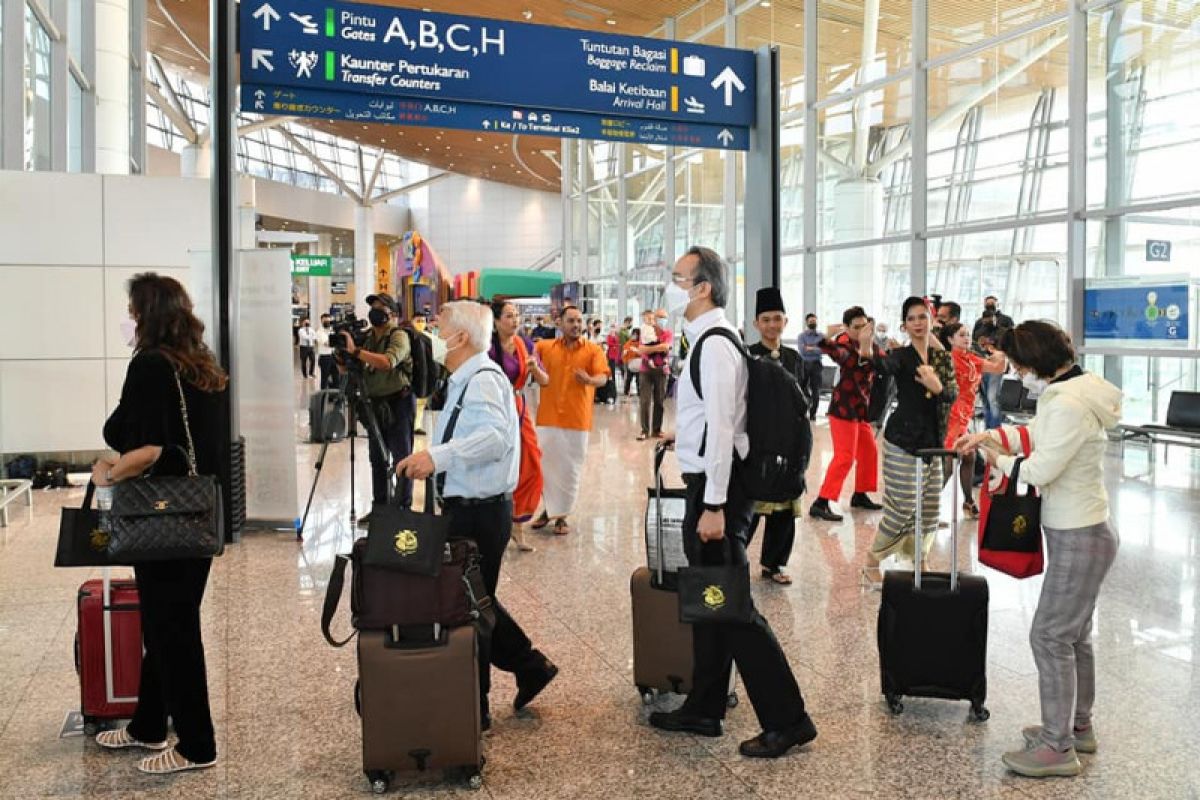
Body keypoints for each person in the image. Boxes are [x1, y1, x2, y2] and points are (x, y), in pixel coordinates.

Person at [648, 246, 817, 758]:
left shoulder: (716, 345)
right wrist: (687, 438)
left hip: (720, 493)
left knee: (734, 608)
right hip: (711, 483)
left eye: (677, 279)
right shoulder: (706, 341)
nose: (671, 287)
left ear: (703, 288)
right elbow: (714, 421)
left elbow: (725, 430)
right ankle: (704, 706)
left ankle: (789, 719)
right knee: (710, 601)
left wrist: (715, 506)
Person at [956, 321, 1121, 779]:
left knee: (1048, 636)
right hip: (1085, 531)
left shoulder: (1068, 403)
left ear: (1037, 363)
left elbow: (1041, 468)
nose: (1018, 374)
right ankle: (1076, 726)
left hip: (1079, 536)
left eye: (1020, 366)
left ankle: (1056, 746)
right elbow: (1035, 437)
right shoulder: (1074, 390)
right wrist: (992, 437)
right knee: (1073, 636)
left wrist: (995, 457)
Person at [396, 301, 559, 732]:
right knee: (474, 599)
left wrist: (437, 456)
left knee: (471, 608)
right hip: (468, 508)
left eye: (438, 327)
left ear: (461, 337)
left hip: (480, 513)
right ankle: (529, 666)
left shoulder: (483, 380)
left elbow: (492, 439)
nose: (432, 333)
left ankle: (477, 705)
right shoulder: (466, 378)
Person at [93, 273, 226, 775]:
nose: (127, 320)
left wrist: (108, 470)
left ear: (146, 314)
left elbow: (146, 449)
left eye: (131, 310)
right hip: (197, 515)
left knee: (174, 630)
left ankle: (197, 744)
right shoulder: (202, 366)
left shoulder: (151, 365)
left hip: (160, 515)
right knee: (166, 623)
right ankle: (149, 724)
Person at [869, 297, 957, 561]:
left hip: (933, 440)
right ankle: (872, 561)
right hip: (902, 439)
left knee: (929, 507)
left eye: (922, 317)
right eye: (911, 318)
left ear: (932, 321)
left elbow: (952, 394)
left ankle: (920, 561)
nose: (917, 323)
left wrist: (937, 386)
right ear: (904, 325)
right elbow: (882, 366)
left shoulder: (942, 358)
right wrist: (866, 346)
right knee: (903, 504)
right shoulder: (900, 356)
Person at [531, 305, 610, 535]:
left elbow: (603, 378)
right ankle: (548, 510)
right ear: (560, 323)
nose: (576, 325)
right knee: (547, 467)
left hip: (578, 418)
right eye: (571, 321)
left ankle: (562, 517)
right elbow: (525, 356)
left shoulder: (593, 350)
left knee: (570, 470)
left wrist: (589, 380)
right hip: (548, 417)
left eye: (579, 321)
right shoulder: (545, 347)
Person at [339, 293, 416, 522]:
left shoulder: (399, 336)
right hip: (375, 406)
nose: (375, 311)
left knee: (402, 458)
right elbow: (347, 371)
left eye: (380, 308)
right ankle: (380, 509)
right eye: (373, 307)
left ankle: (403, 509)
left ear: (392, 313)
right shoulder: (367, 337)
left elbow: (387, 362)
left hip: (399, 403)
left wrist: (355, 351)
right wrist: (343, 358)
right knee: (377, 459)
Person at [748, 288, 804, 585]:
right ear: (757, 323)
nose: (772, 325)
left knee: (784, 510)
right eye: (766, 319)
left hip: (790, 444)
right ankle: (733, 561)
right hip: (758, 446)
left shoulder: (794, 358)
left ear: (786, 321)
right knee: (750, 510)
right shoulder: (748, 357)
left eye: (777, 319)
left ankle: (775, 563)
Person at [809, 306, 886, 522]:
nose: (862, 330)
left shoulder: (870, 344)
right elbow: (838, 354)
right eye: (856, 327)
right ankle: (821, 502)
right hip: (843, 410)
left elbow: (884, 361)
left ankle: (860, 494)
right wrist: (827, 335)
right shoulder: (844, 343)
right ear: (847, 328)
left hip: (860, 411)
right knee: (845, 457)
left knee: (869, 450)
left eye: (864, 326)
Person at [490, 300, 548, 552]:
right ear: (495, 321)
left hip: (518, 407)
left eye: (517, 316)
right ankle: (495, 525)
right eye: (509, 316)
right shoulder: (486, 346)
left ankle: (518, 522)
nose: (515, 320)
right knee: (497, 465)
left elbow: (545, 380)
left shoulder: (525, 344)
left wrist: (535, 369)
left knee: (531, 462)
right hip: (492, 409)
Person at [939, 322, 1007, 516]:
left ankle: (968, 502)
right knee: (949, 465)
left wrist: (1001, 351)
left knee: (968, 457)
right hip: (950, 414)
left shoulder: (972, 358)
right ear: (950, 339)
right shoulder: (948, 359)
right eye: (962, 335)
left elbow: (997, 368)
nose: (967, 338)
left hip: (964, 415)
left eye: (968, 334)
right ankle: (926, 508)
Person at [636, 309, 671, 441]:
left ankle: (657, 430)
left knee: (659, 401)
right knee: (644, 401)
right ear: (654, 318)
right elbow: (641, 349)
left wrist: (651, 348)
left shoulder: (668, 333)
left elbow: (666, 347)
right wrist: (658, 347)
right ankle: (644, 430)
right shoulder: (646, 330)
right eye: (660, 317)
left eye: (665, 317)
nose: (662, 320)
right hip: (646, 369)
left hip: (662, 370)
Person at [796, 313, 824, 420]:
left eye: (814, 321)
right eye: (811, 321)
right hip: (804, 364)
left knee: (816, 391)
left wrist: (810, 348)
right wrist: (815, 348)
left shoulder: (821, 336)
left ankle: (813, 414)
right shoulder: (801, 336)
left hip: (817, 365)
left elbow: (823, 350)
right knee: (801, 389)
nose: (813, 323)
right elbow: (802, 350)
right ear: (806, 322)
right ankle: (802, 411)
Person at [316, 314, 338, 390]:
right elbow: (327, 344)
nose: (327, 322)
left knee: (336, 377)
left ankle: (335, 396)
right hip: (325, 357)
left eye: (329, 321)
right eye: (325, 321)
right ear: (321, 321)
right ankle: (323, 397)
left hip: (334, 356)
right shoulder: (319, 332)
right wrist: (335, 342)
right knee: (325, 378)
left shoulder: (332, 330)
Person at [622, 328, 642, 397]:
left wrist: (636, 351)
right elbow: (625, 350)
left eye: (636, 335)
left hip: (638, 364)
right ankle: (626, 391)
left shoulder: (640, 343)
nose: (634, 336)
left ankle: (639, 392)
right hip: (630, 364)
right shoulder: (629, 342)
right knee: (628, 379)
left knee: (638, 380)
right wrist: (625, 352)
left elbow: (642, 353)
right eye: (633, 334)